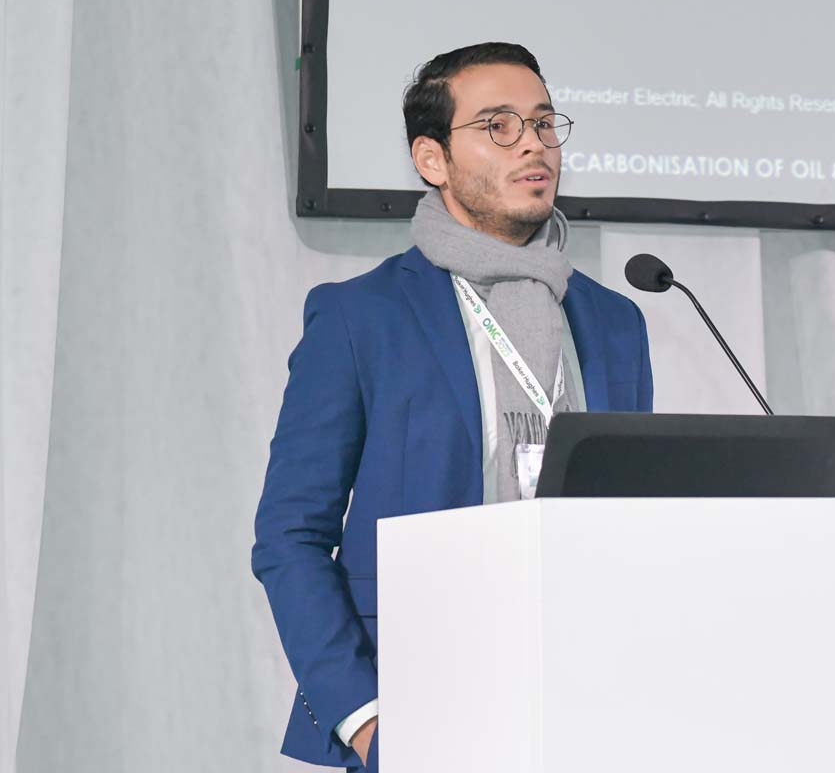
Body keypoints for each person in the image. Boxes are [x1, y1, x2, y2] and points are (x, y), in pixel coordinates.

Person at [251, 42, 654, 772]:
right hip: (422, 704)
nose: (532, 143)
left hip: (587, 704)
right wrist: (365, 718)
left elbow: (629, 521)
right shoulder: (361, 318)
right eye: (498, 125)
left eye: (543, 123)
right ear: (432, 159)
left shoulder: (614, 321)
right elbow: (290, 535)